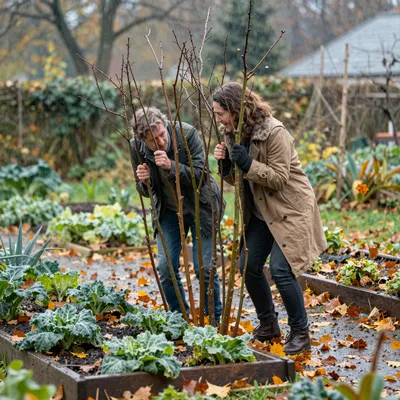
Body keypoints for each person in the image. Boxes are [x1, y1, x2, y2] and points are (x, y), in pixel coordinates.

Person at [213, 82, 327, 354]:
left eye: (221, 114)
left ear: (235, 109)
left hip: (290, 209)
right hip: (262, 211)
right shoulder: (233, 133)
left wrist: (247, 163)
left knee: (280, 270)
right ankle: (269, 325)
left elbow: (278, 178)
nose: (218, 120)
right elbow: (239, 179)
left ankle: (300, 332)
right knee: (248, 266)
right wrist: (226, 166)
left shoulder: (275, 132)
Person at [131, 106, 223, 322]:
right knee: (166, 268)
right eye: (153, 140)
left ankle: (213, 318)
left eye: (162, 134)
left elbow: (201, 175)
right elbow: (145, 191)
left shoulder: (187, 134)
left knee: (204, 268)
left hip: (201, 206)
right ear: (143, 140)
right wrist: (144, 182)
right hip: (169, 210)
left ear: (165, 125)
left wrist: (171, 166)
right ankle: (178, 319)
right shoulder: (136, 147)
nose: (161, 142)